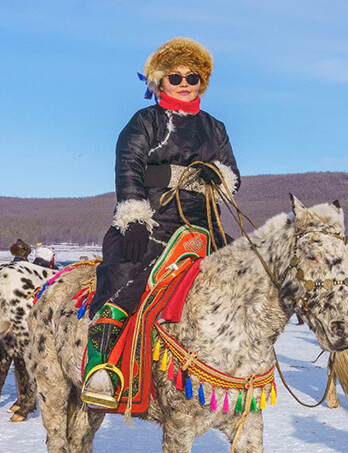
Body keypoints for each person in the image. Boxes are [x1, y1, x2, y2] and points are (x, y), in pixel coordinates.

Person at [82, 37, 241, 409]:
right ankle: (100, 366)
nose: (185, 83)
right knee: (125, 272)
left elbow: (233, 173)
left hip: (205, 223)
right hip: (153, 220)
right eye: (175, 76)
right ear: (158, 82)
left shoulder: (215, 127)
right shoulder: (145, 121)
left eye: (193, 76)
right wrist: (134, 217)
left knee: (243, 276)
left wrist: (217, 175)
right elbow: (129, 168)